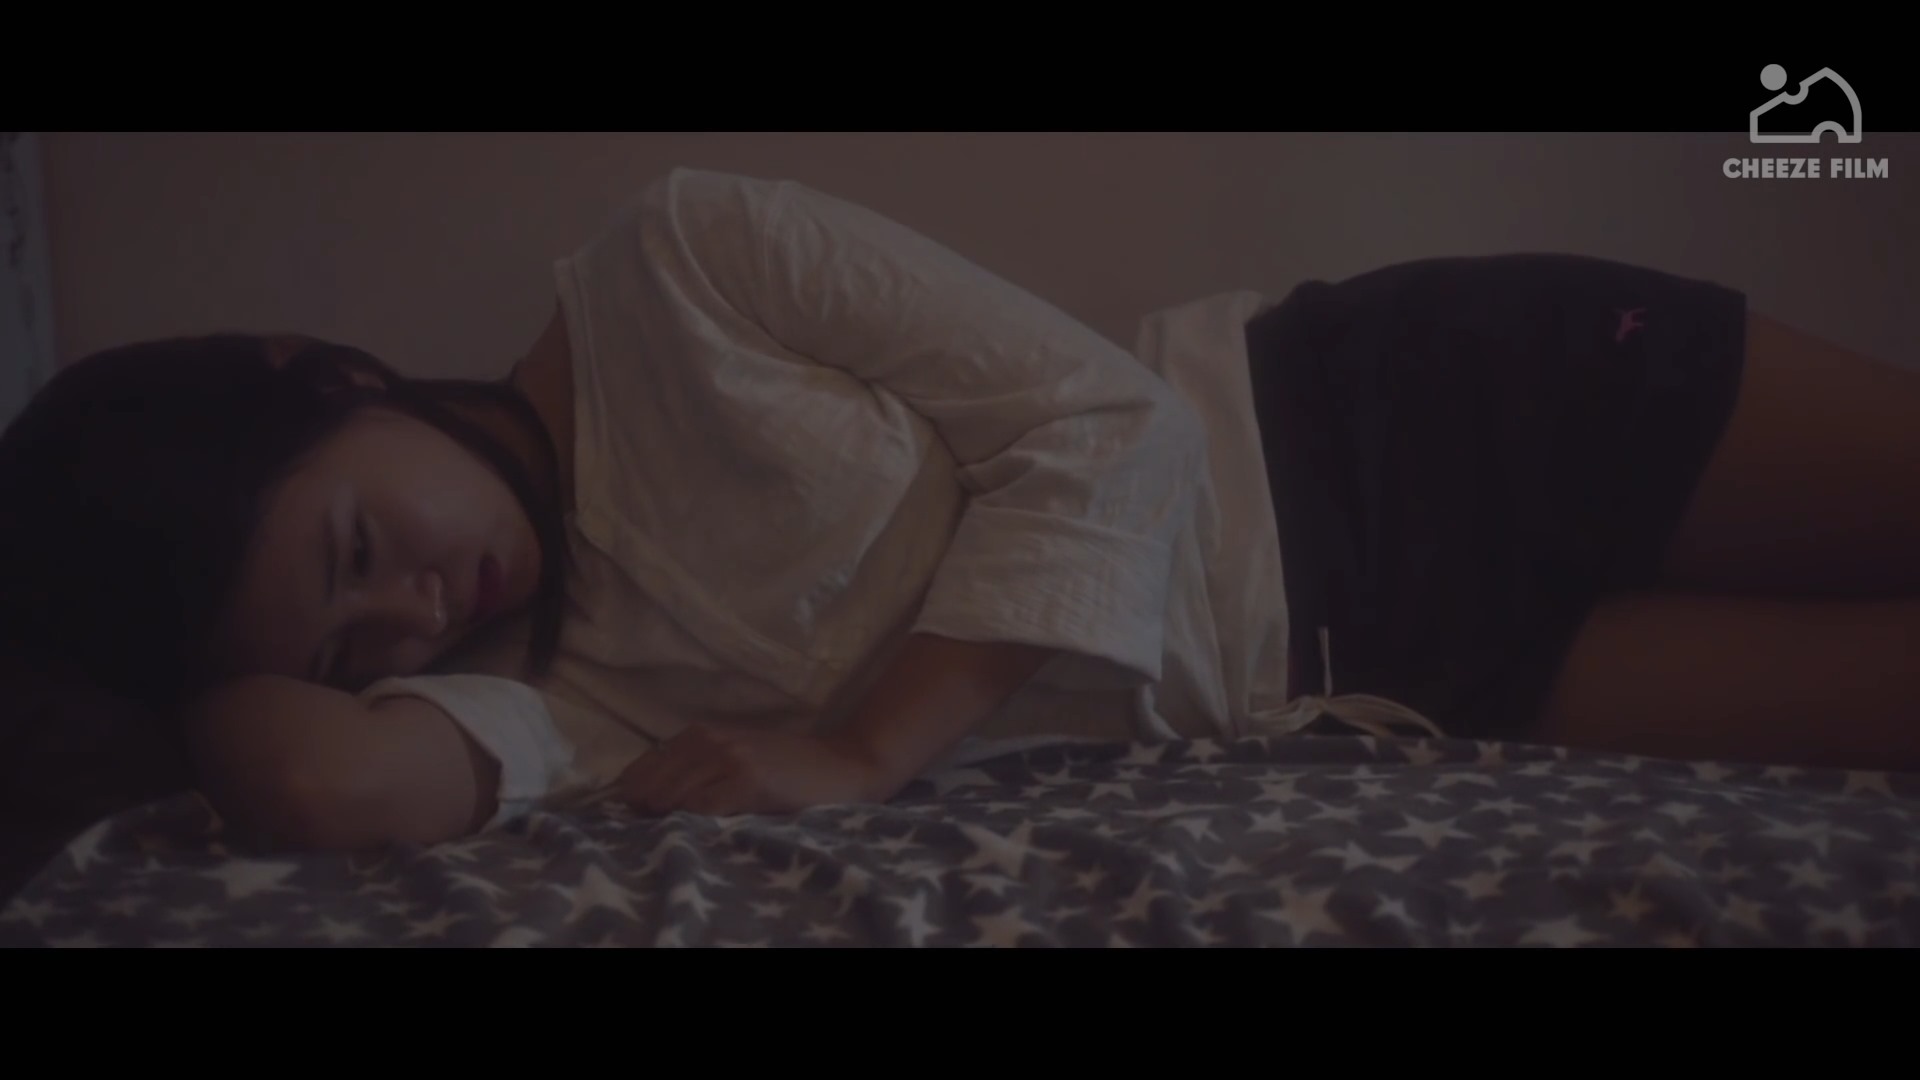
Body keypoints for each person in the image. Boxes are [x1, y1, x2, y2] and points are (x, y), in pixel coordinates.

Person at [1, 168, 1913, 854]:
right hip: (1390, 670)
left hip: (1397, 414)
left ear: (324, 376)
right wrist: (190, 660)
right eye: (353, 648)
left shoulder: (682, 263)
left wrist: (863, 749)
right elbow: (318, 784)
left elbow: (1109, 427)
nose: (415, 609)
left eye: (355, 550)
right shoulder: (544, 698)